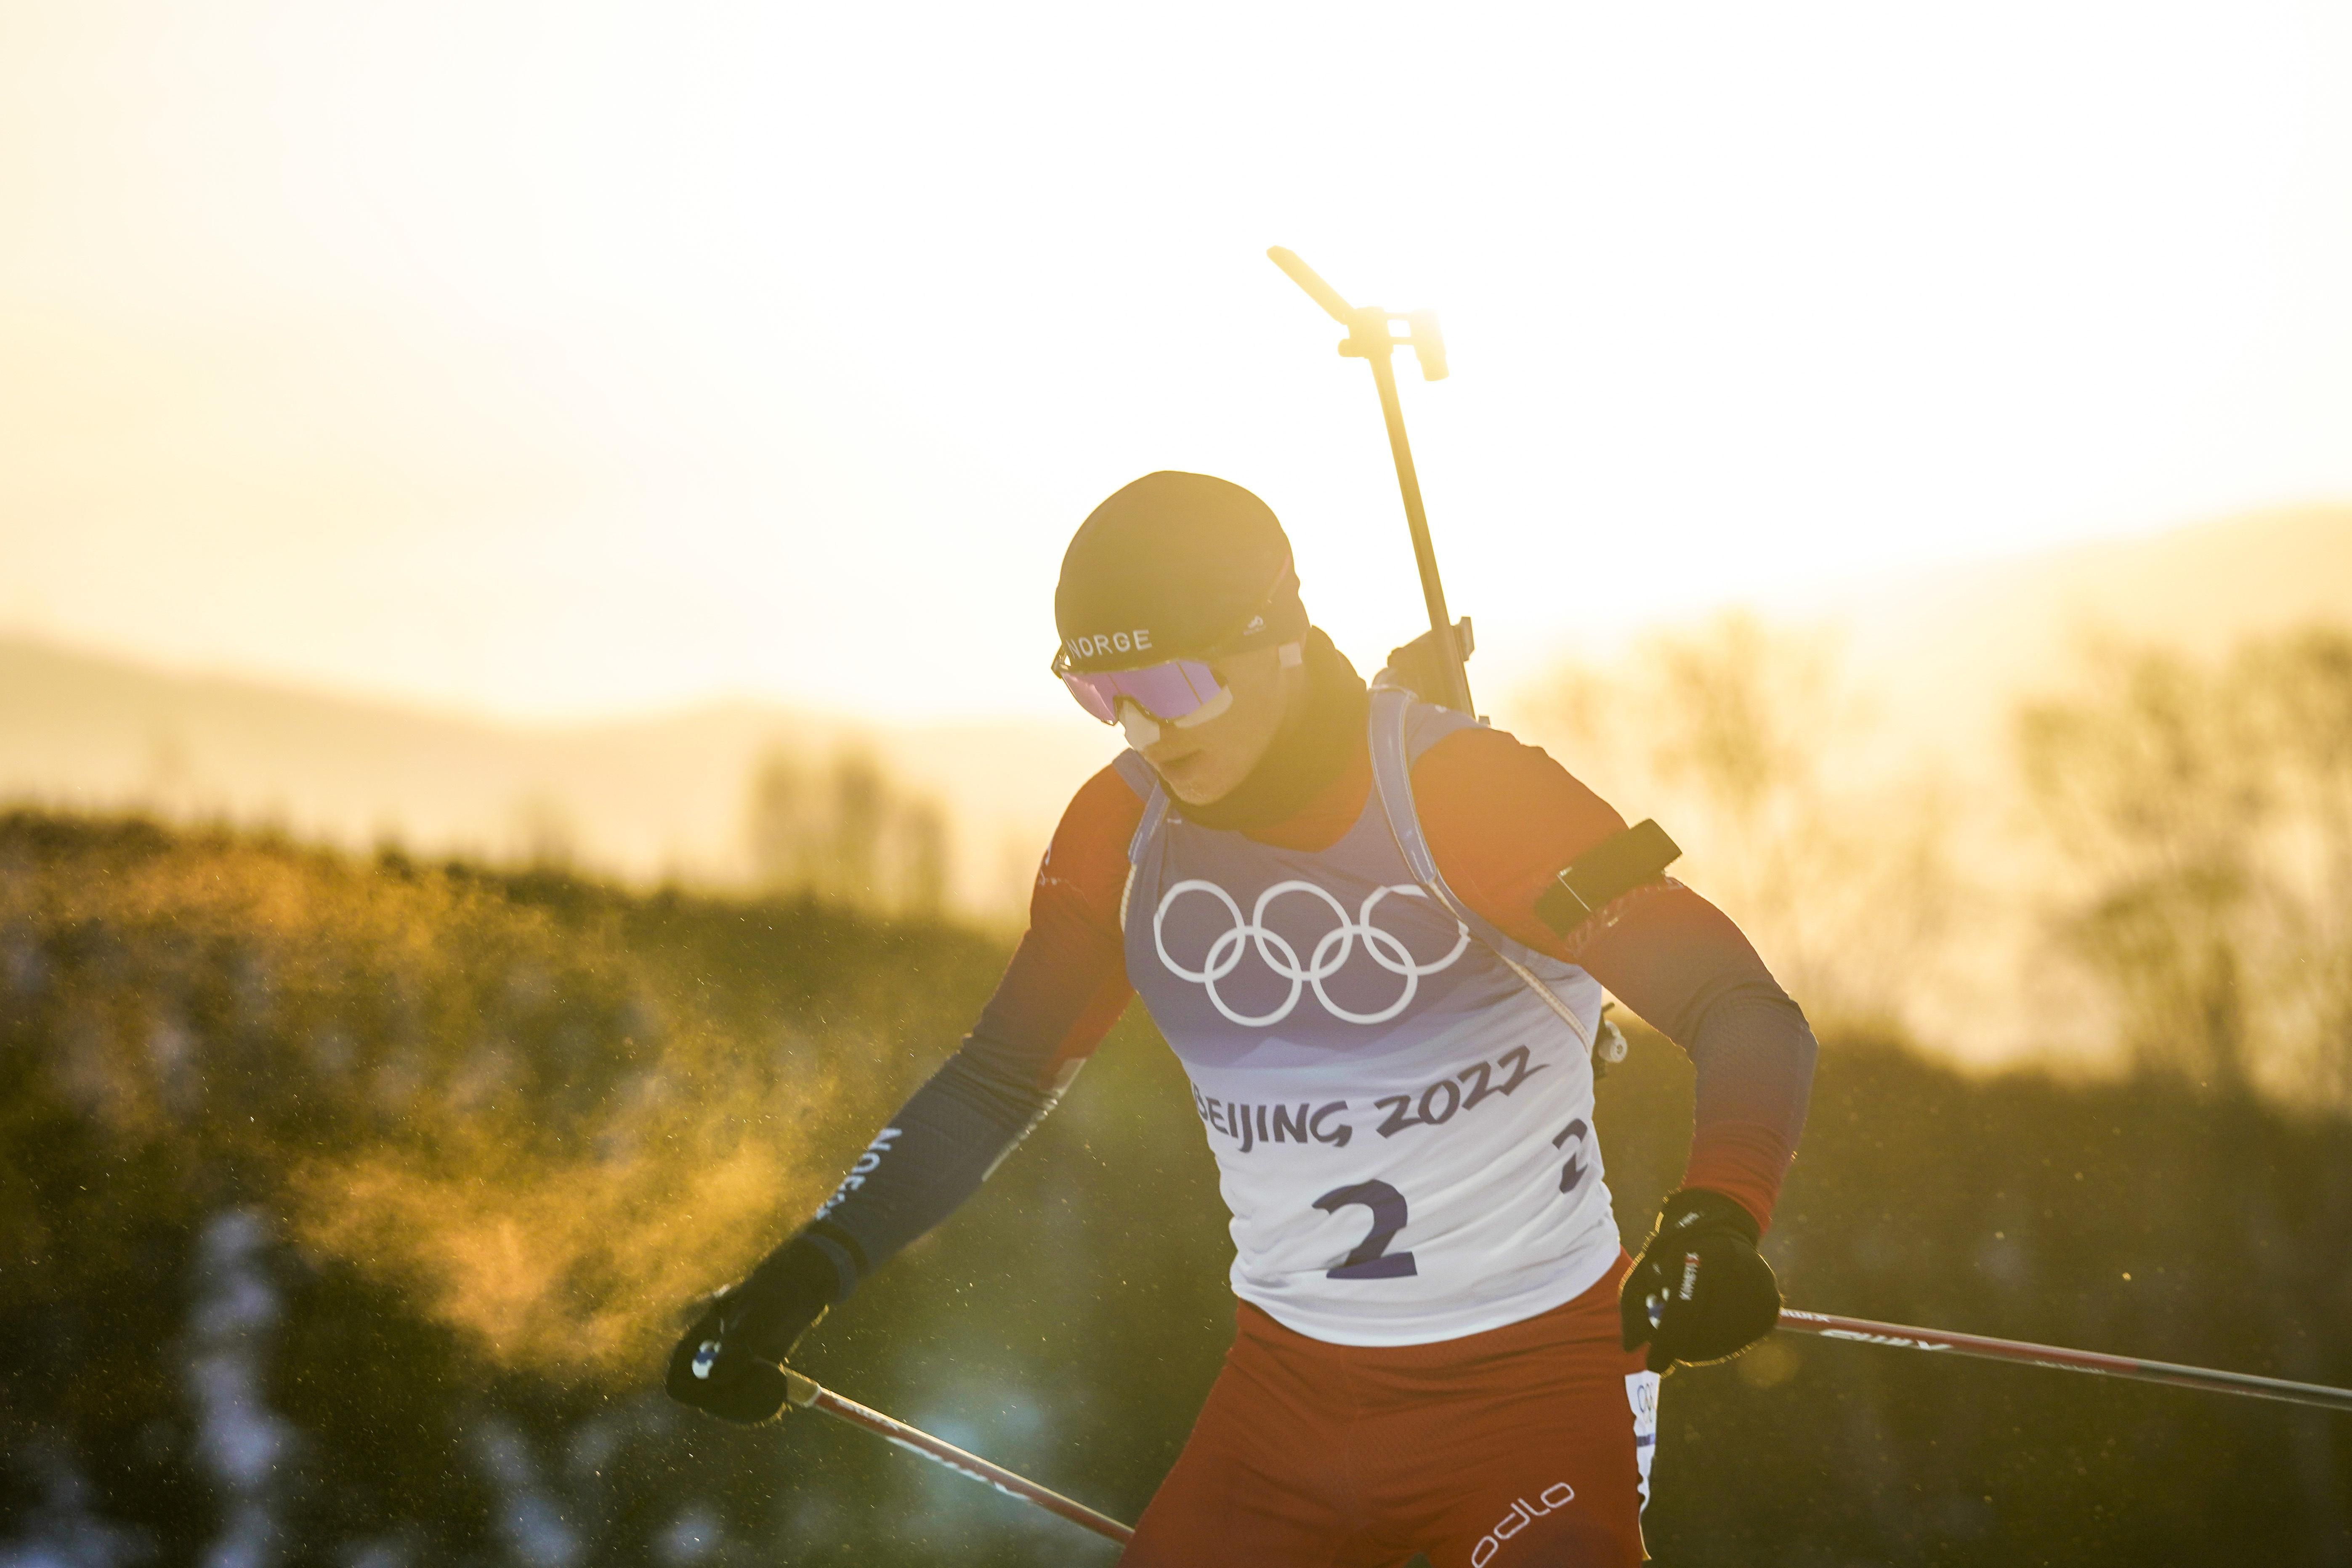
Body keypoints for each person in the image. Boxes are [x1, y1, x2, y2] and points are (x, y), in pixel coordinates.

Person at [666, 471, 1818, 1566]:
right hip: (1293, 1403)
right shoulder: (1120, 836)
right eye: (1101, 697)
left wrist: (1718, 1216)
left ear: (1279, 632)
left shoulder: (1464, 793)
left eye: (1173, 686)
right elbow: (996, 1081)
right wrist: (802, 1274)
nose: (1145, 731)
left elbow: (1739, 1008)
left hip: (1539, 1382)